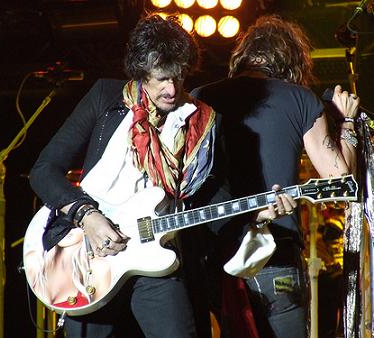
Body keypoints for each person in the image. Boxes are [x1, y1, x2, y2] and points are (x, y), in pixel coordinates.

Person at [28, 12, 296, 337]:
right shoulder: (105, 98)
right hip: (90, 256)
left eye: (179, 77)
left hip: (159, 260)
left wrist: (257, 214)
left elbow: (215, 206)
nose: (172, 89)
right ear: (141, 72)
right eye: (162, 78)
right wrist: (88, 216)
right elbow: (44, 170)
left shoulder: (204, 123)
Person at [191, 14, 359, 338]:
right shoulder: (300, 99)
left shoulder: (200, 97)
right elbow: (340, 181)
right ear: (291, 61)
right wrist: (347, 121)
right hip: (274, 249)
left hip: (209, 249)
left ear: (243, 56)